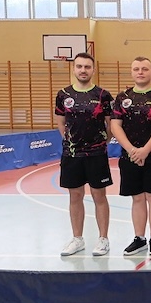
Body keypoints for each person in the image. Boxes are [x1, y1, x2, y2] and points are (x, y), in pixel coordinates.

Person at [110, 56, 151, 256]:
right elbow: (115, 126)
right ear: (131, 72)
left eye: (144, 69)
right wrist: (131, 150)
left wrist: (145, 150)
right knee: (137, 198)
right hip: (130, 156)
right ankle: (139, 239)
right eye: (136, 69)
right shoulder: (122, 97)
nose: (140, 72)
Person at [55, 52, 113, 257]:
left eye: (87, 67)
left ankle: (103, 239)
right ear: (74, 69)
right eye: (79, 66)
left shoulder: (103, 95)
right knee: (75, 196)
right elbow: (61, 122)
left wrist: (102, 143)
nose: (83, 70)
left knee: (99, 196)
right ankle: (77, 239)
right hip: (72, 155)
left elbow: (110, 125)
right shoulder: (63, 94)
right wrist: (70, 142)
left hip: (96, 154)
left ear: (93, 70)